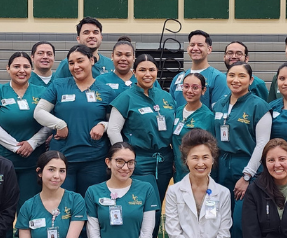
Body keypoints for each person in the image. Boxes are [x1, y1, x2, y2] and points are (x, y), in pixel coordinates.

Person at [212, 61, 273, 238]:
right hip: (222, 167)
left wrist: (247, 176)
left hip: (247, 167)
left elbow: (262, 143)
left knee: (240, 224)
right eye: (231, 75)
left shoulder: (258, 105)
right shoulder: (219, 104)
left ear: (251, 80)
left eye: (241, 76)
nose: (235, 80)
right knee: (220, 221)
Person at [34, 43, 115, 194]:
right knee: (62, 206)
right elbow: (39, 112)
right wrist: (59, 124)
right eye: (71, 63)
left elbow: (116, 122)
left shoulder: (106, 90)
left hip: (94, 160)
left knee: (90, 206)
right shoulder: (59, 85)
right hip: (61, 161)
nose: (75, 66)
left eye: (80, 61)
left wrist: (103, 125)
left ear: (91, 60)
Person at [0, 46, 57, 207]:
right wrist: (15, 147)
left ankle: (24, 233)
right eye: (16, 66)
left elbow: (50, 122)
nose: (22, 70)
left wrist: (32, 143)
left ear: (31, 68)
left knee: (28, 204)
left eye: (26, 66)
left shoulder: (43, 91)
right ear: (8, 69)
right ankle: (2, 234)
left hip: (32, 161)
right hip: (2, 161)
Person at [105, 56, 179, 193]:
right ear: (134, 72)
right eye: (142, 70)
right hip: (139, 160)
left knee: (159, 201)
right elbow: (113, 130)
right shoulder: (126, 97)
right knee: (143, 202)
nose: (147, 74)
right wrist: (125, 157)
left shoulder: (166, 97)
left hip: (164, 159)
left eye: (152, 70)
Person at [168, 73, 216, 195]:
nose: (190, 91)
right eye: (186, 86)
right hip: (179, 170)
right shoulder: (178, 111)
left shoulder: (208, 116)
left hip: (199, 172)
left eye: (195, 87)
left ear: (203, 90)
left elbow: (212, 148)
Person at [169, 29, 230, 107]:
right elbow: (170, 107)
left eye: (200, 45)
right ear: (188, 48)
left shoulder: (218, 78)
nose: (195, 48)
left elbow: (219, 111)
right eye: (192, 45)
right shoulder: (178, 78)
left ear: (209, 49)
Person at [52, 16, 106, 80]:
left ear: (101, 37)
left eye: (95, 32)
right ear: (78, 39)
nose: (91, 36)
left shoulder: (110, 64)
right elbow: (56, 88)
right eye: (86, 33)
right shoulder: (67, 64)